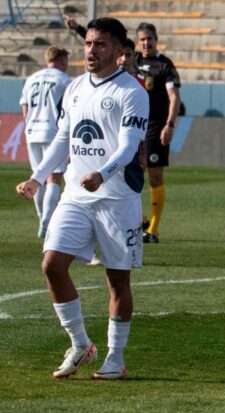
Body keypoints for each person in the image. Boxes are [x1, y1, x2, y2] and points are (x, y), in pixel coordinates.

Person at [15, 17, 150, 380]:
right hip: (76, 194)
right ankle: (80, 344)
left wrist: (102, 174)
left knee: (117, 280)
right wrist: (37, 177)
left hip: (117, 198)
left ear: (120, 51)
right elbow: (63, 138)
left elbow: (127, 147)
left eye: (101, 44)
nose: (92, 50)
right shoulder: (74, 87)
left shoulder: (132, 92)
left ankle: (115, 358)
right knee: (51, 265)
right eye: (89, 43)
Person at [134, 22, 181, 243]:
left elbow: (174, 97)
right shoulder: (131, 60)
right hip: (133, 126)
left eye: (149, 39)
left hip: (155, 128)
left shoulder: (165, 65)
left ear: (156, 39)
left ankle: (153, 228)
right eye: (142, 39)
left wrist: (169, 125)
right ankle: (139, 219)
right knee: (128, 175)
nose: (145, 43)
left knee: (154, 176)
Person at [19, 45, 71, 238]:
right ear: (62, 60)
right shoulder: (64, 80)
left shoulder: (31, 78)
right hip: (53, 133)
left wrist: (31, 124)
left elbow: (24, 109)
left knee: (37, 177)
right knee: (53, 178)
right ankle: (47, 222)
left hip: (32, 131)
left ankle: (41, 216)